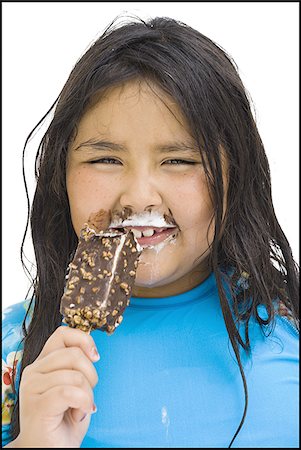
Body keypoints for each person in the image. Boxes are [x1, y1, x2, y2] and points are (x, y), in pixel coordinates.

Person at [2, 16, 299, 448]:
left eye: (179, 160)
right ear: (59, 176)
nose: (139, 198)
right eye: (104, 159)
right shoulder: (14, 352)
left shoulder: (291, 332)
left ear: (237, 174)